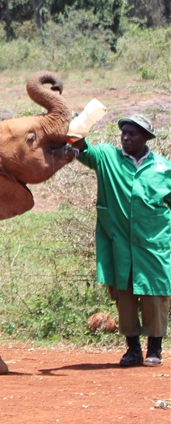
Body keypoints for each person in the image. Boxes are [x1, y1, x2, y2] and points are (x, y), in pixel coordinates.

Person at [68, 114, 170, 367]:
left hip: (154, 243)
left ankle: (155, 350)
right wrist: (83, 118)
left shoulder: (163, 168)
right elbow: (76, 143)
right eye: (123, 133)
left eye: (132, 133)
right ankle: (132, 350)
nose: (125, 137)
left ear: (146, 138)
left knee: (154, 296)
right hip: (120, 243)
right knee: (124, 296)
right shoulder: (106, 158)